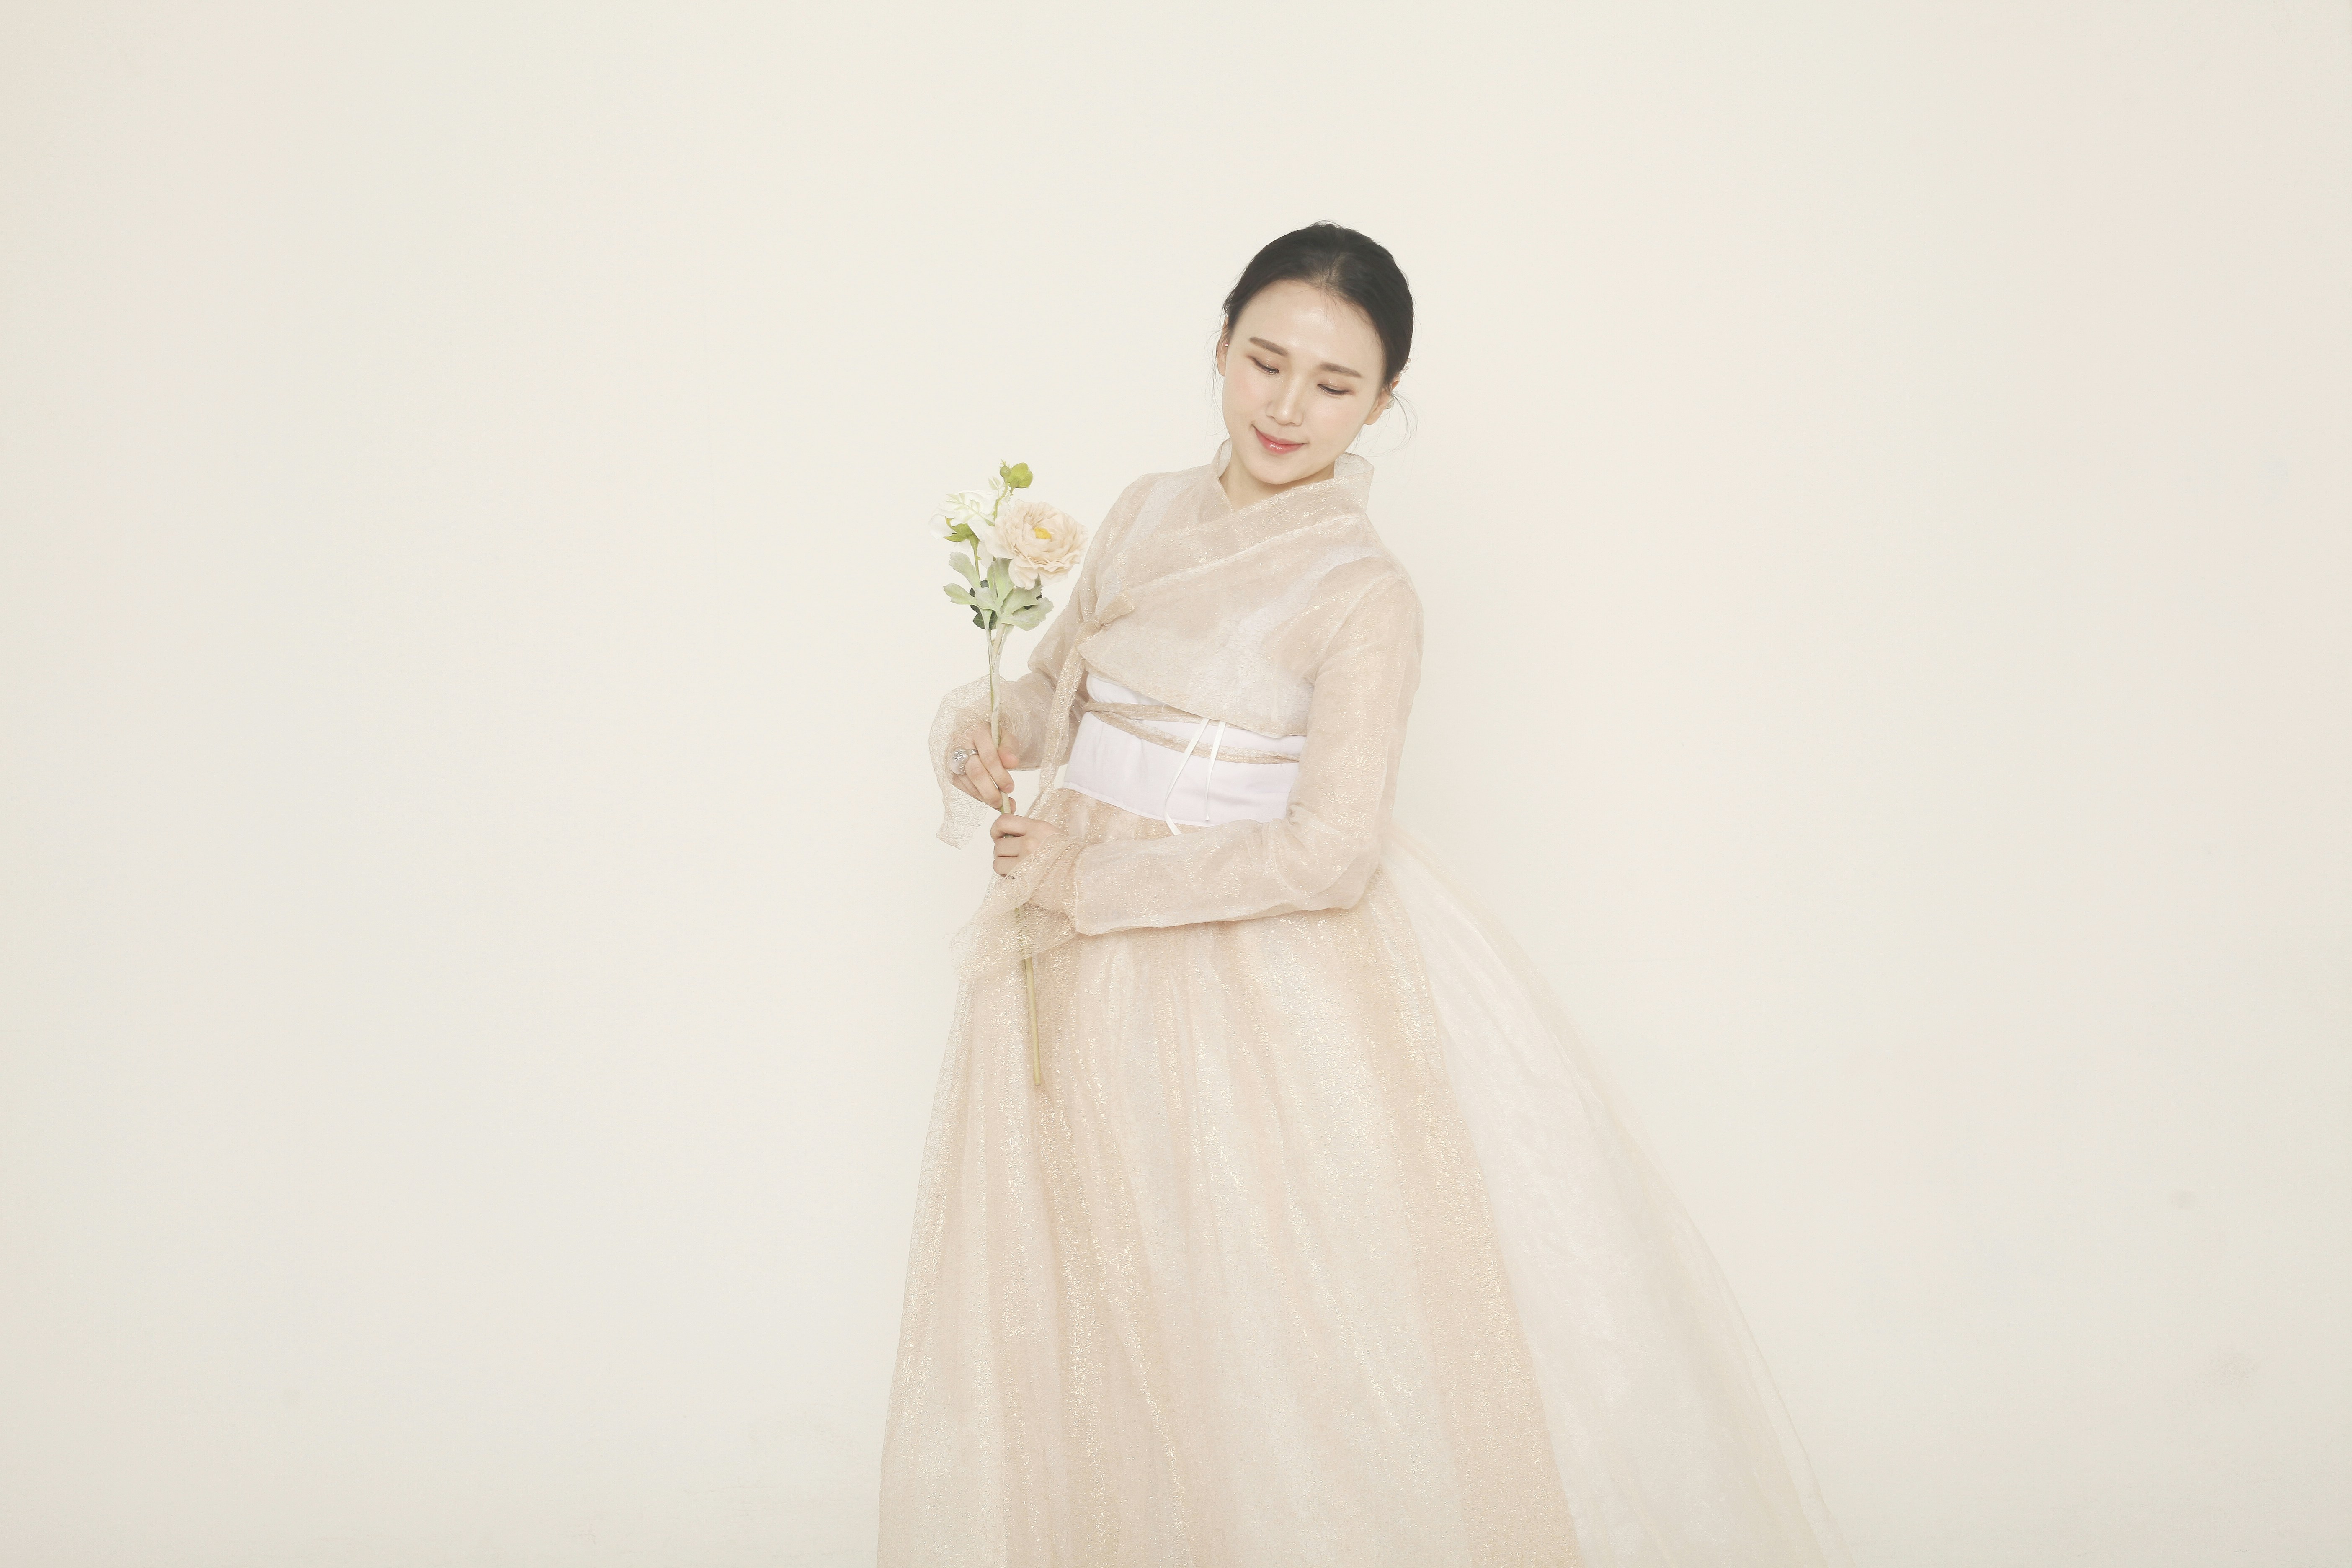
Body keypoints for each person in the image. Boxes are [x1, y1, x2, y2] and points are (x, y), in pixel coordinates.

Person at [881, 223, 1852, 1566]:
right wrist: (992, 732)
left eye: (1334, 386)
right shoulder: (1146, 510)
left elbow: (1332, 851)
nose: (1288, 407)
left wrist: (1088, 875)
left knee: (1241, 1303)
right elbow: (1061, 691)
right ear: (1218, 347)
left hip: (1238, 980)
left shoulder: (1363, 590)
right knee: (1084, 1279)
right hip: (1072, 948)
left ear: (1384, 402)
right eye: (1264, 362)